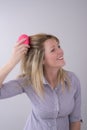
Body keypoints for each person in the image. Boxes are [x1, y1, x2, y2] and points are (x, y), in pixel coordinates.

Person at [0, 33, 82, 130]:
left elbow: (75, 119)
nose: (60, 51)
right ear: (41, 59)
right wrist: (12, 61)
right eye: (53, 50)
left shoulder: (72, 80)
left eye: (58, 46)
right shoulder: (28, 81)